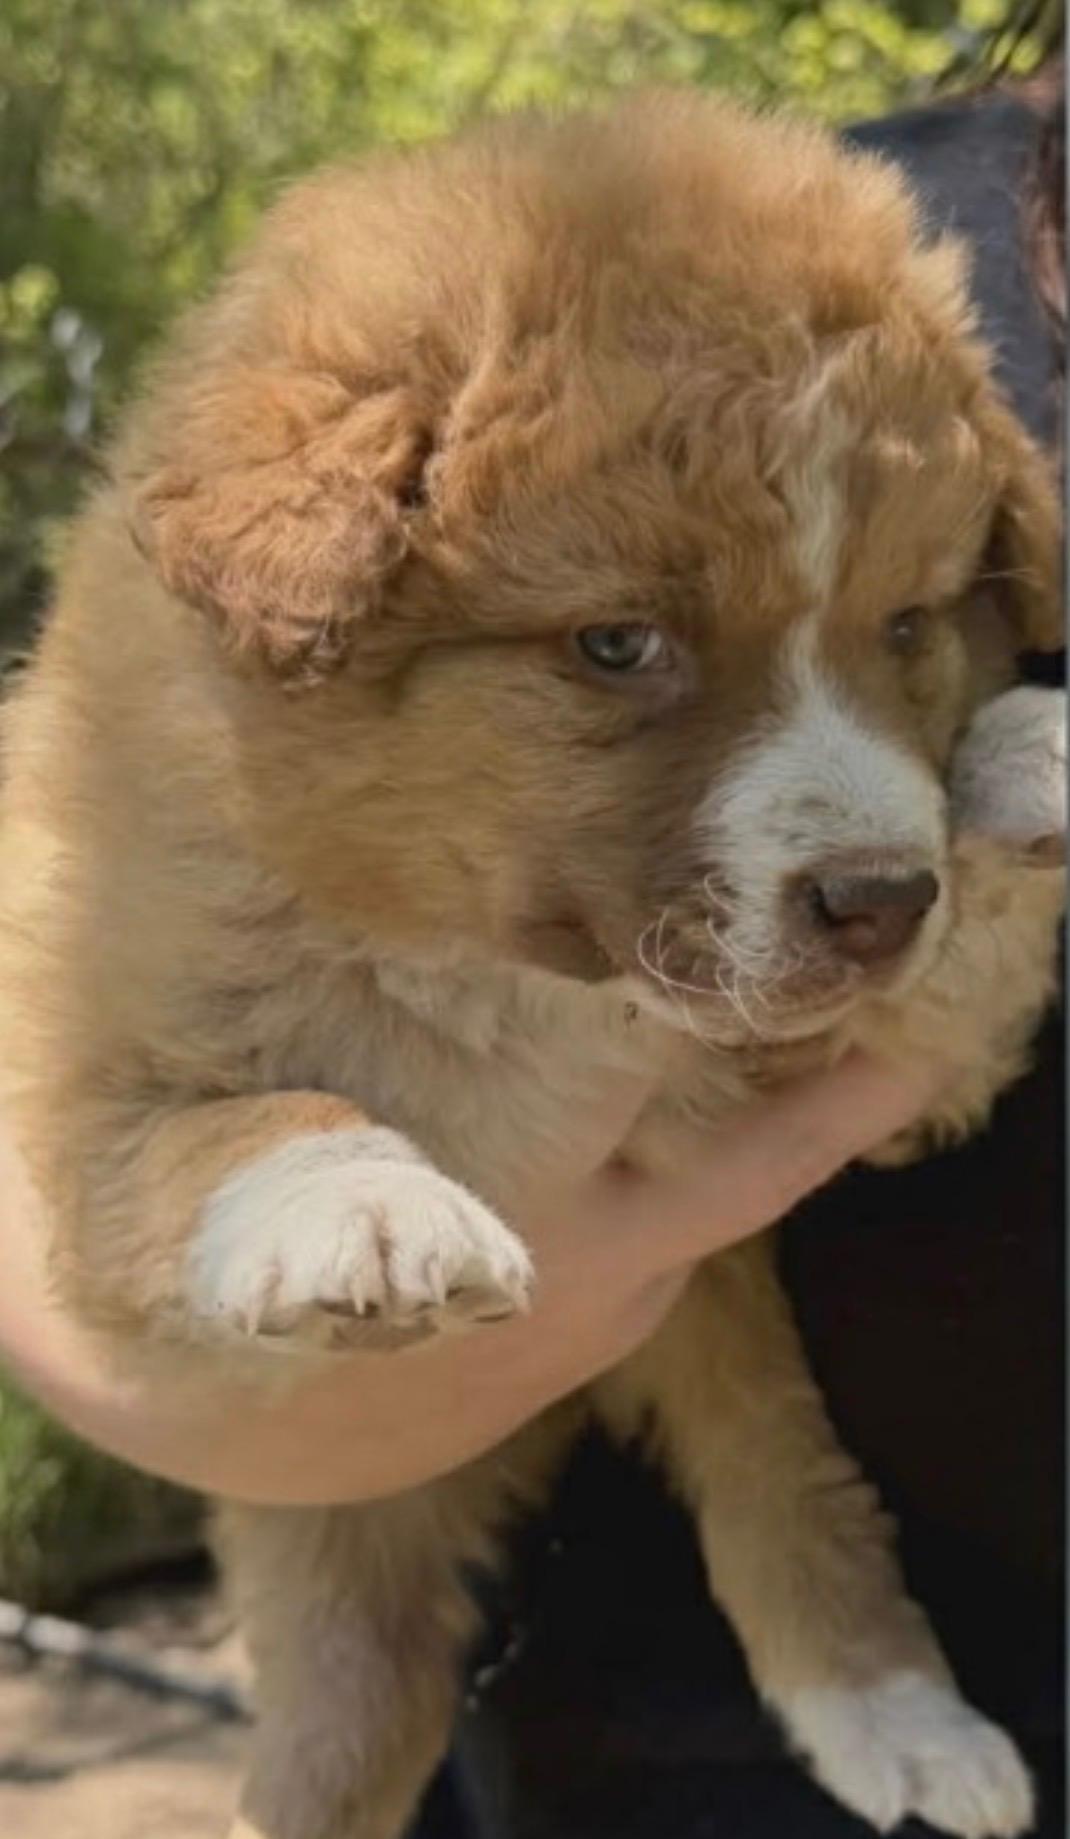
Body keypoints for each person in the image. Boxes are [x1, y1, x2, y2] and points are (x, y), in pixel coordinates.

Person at [0, 17, 1062, 1839]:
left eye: (907, 629)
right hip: (616, 1746)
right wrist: (281, 1197)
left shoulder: (887, 353)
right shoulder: (713, 260)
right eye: (616, 651)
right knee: (347, 1680)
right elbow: (76, 1210)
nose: (864, 808)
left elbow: (914, 1044)